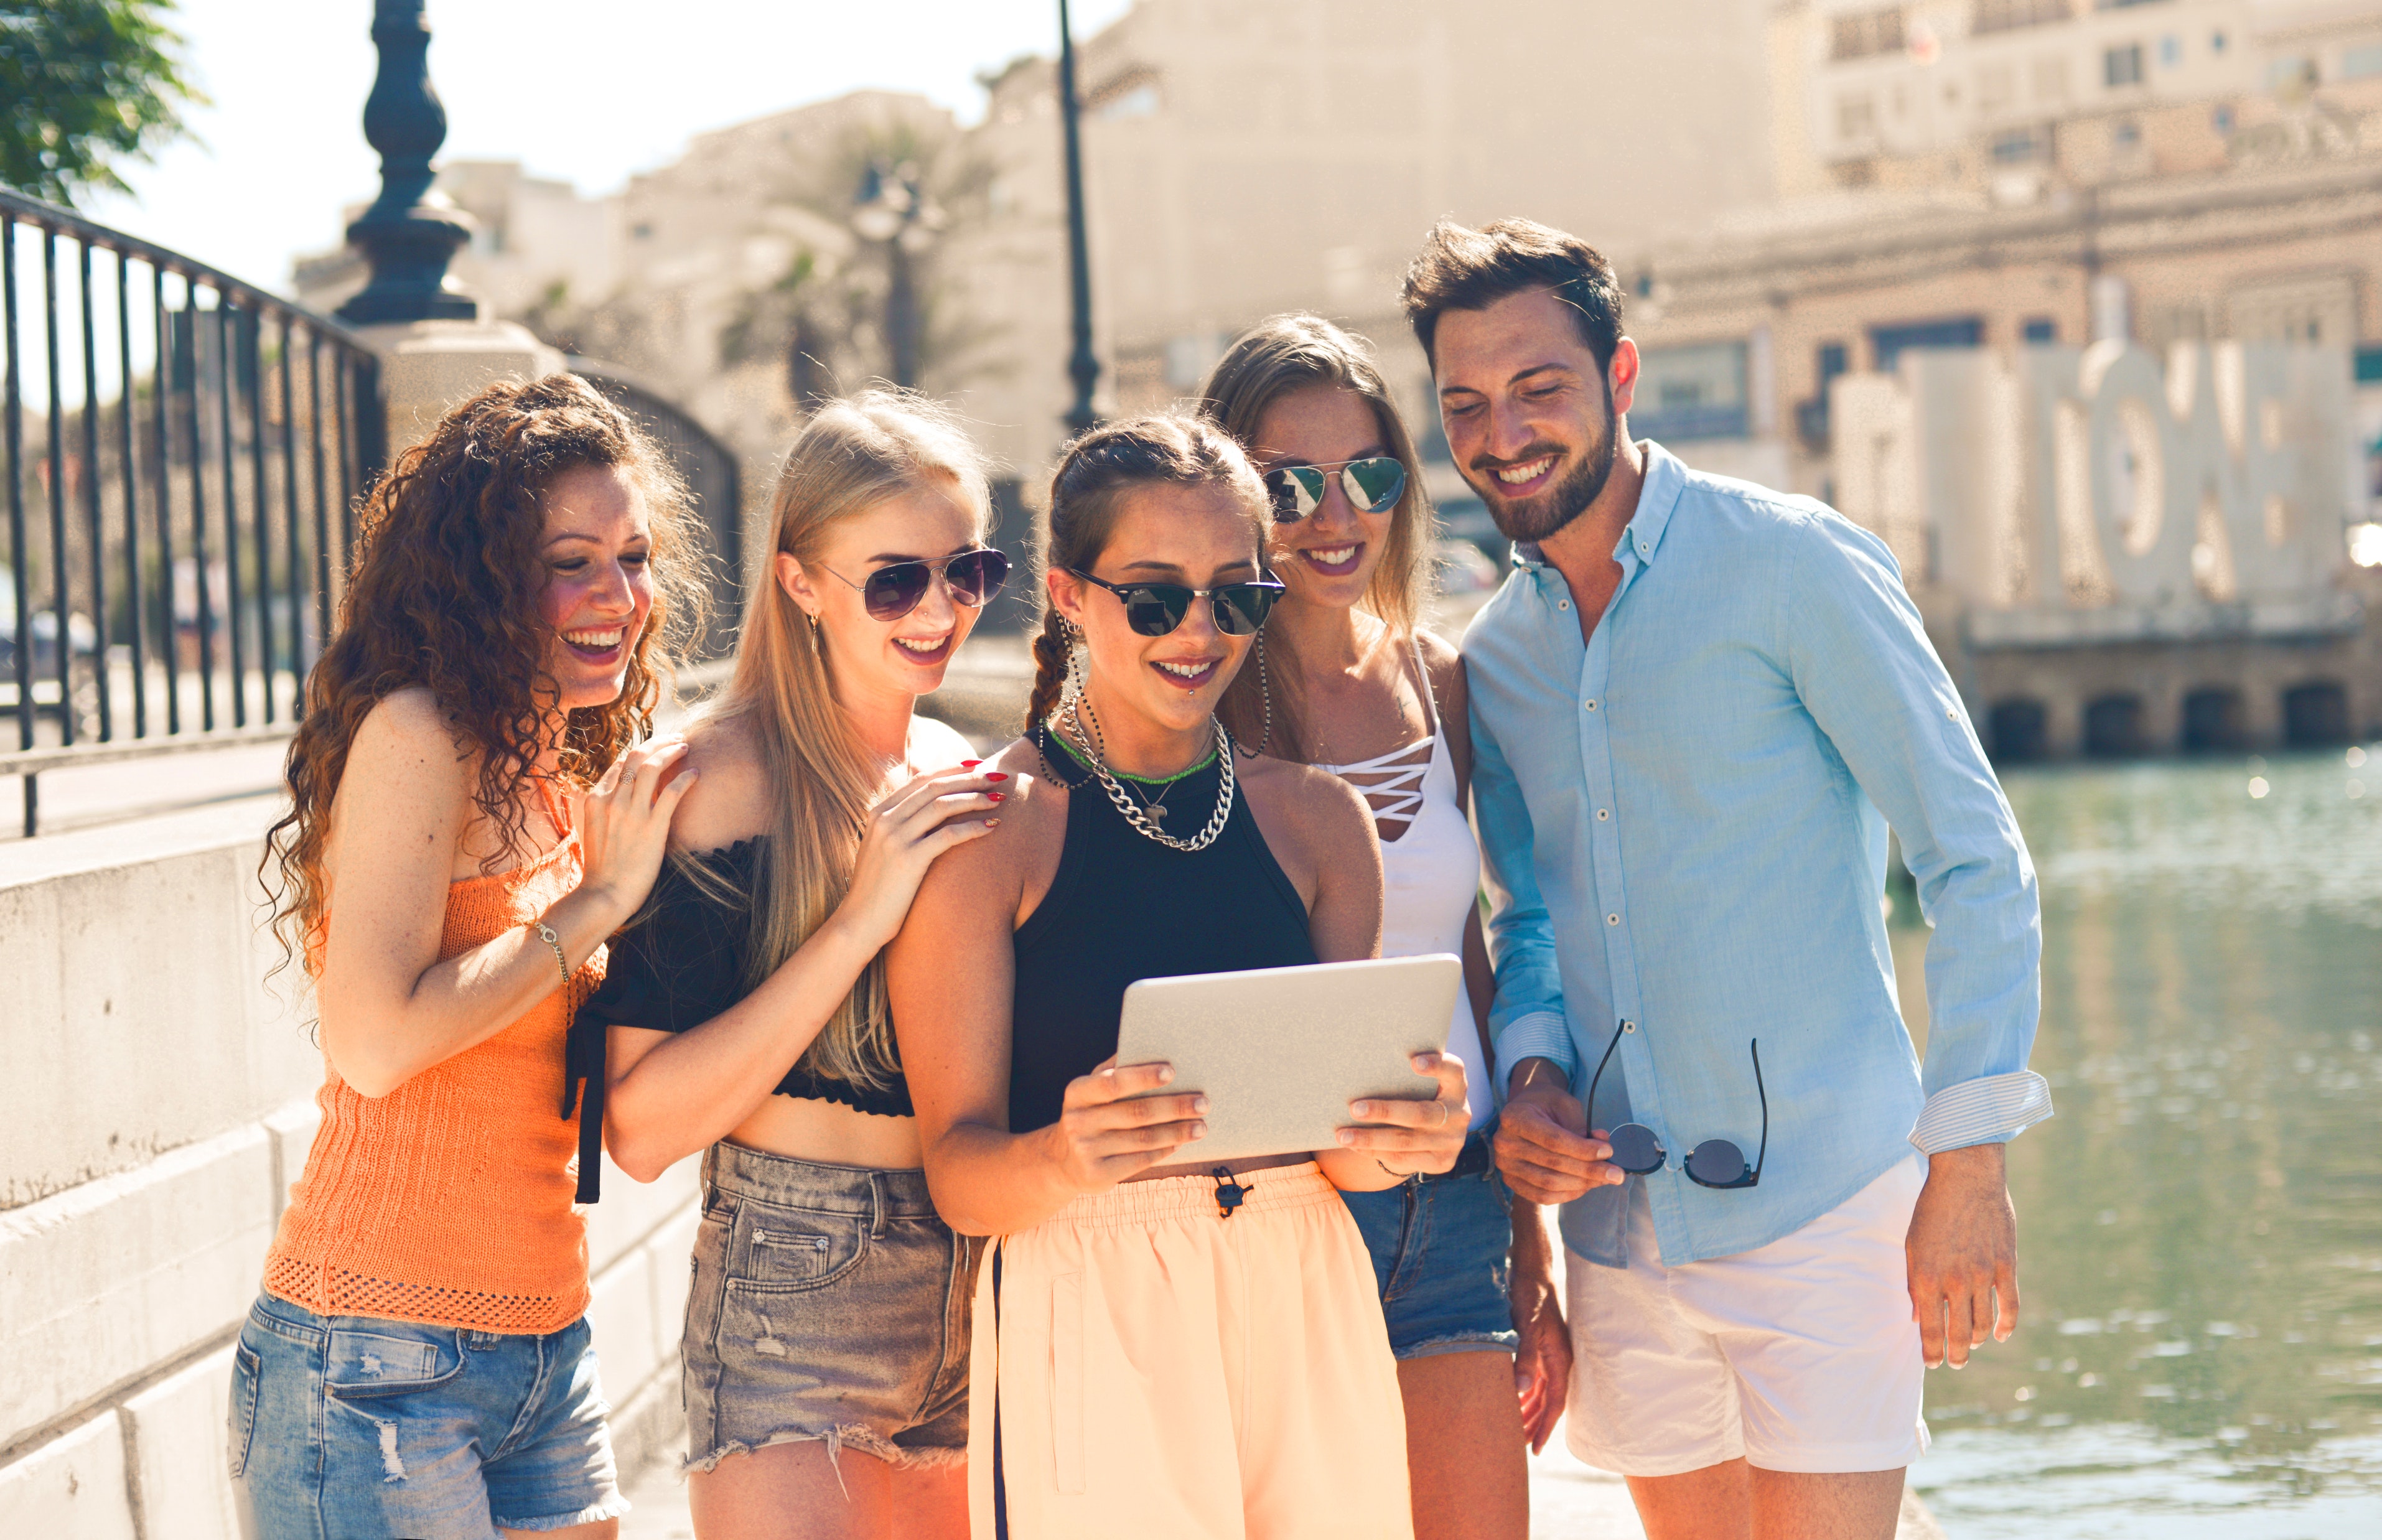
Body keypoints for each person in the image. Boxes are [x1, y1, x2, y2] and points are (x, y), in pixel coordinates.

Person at [1404, 218, 2051, 1540]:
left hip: (1827, 1204)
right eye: (1466, 404)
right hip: (1620, 1237)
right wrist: (1529, 1066)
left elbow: (1974, 855)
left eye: (1541, 389)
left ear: (1622, 375)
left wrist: (1970, 1154)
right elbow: (1524, 916)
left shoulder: (1791, 563)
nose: (1503, 434)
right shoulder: (1500, 656)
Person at [883, 414, 1472, 1539]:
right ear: (1068, 593)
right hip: (1090, 1288)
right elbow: (961, 1177)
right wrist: (1064, 1153)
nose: (1197, 631)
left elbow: (1345, 1158)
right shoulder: (988, 835)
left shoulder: (1321, 822)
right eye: (1154, 597)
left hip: (1308, 1281)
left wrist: (1408, 1133)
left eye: (1234, 596)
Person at [241, 375, 706, 1539]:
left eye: (635, 557)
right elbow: (377, 1043)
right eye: (572, 562)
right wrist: (599, 902)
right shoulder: (418, 735)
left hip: (548, 1342)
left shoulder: (562, 772)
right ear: (485, 577)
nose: (618, 596)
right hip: (372, 1360)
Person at [579, 392, 1009, 1540]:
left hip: (979, 1273)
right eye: (894, 580)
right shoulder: (714, 782)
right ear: (800, 580)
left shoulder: (954, 761)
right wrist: (860, 919)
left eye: (966, 571)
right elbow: (643, 1129)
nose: (939, 610)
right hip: (796, 1289)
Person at [1196, 314, 1566, 1540]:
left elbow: (1466, 955)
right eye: (1288, 483)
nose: (1333, 513)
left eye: (1366, 474)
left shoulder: (1436, 680)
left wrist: (1530, 1240)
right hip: (1281, 1214)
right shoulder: (1194, 709)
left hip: (1453, 1200)